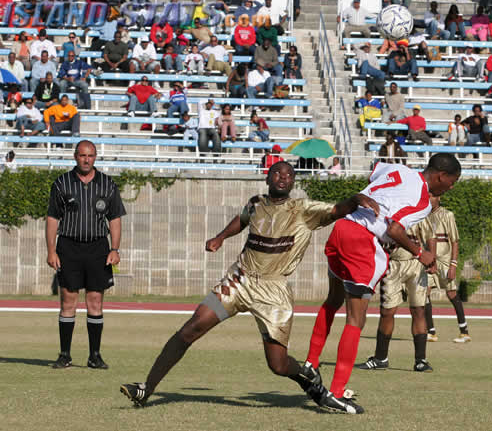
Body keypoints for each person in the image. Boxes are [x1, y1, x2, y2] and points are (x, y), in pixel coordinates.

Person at [119, 161, 379, 409]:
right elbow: (242, 219)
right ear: (268, 178)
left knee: (278, 365)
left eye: (289, 175)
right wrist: (221, 237)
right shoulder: (256, 203)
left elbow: (337, 210)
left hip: (273, 291)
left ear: (293, 182)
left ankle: (306, 376)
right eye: (277, 173)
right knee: (191, 328)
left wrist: (356, 199)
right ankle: (146, 389)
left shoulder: (304, 209)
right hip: (238, 281)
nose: (283, 178)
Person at [303, 154, 461, 414]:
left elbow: (374, 173)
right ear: (441, 176)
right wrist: (420, 254)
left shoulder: (398, 168)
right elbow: (395, 229)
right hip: (363, 242)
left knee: (333, 300)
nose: (451, 187)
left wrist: (380, 200)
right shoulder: (423, 201)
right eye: (452, 181)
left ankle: (310, 363)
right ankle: (337, 393)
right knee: (356, 319)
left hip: (342, 228)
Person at [46, 140, 126, 369]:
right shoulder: (61, 183)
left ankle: (95, 356)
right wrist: (51, 250)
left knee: (95, 301)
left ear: (95, 157)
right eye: (82, 155)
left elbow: (115, 219)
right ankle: (65, 355)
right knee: (68, 300)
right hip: (68, 247)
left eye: (90, 155)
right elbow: (52, 218)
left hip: (98, 248)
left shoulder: (107, 184)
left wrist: (115, 249)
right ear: (75, 156)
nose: (86, 159)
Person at [357, 202, 438, 372]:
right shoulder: (385, 210)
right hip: (392, 263)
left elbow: (430, 236)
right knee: (387, 311)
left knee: (419, 310)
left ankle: (421, 361)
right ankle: (380, 359)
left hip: (415, 264)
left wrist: (432, 258)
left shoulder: (418, 210)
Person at [420, 196, 470, 343]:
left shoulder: (448, 215)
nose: (429, 199)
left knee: (451, 293)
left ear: (439, 198)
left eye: (432, 196)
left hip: (445, 261)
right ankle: (431, 332)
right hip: (429, 260)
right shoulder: (422, 215)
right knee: (424, 293)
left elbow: (455, 241)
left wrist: (453, 265)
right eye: (427, 195)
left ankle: (464, 332)